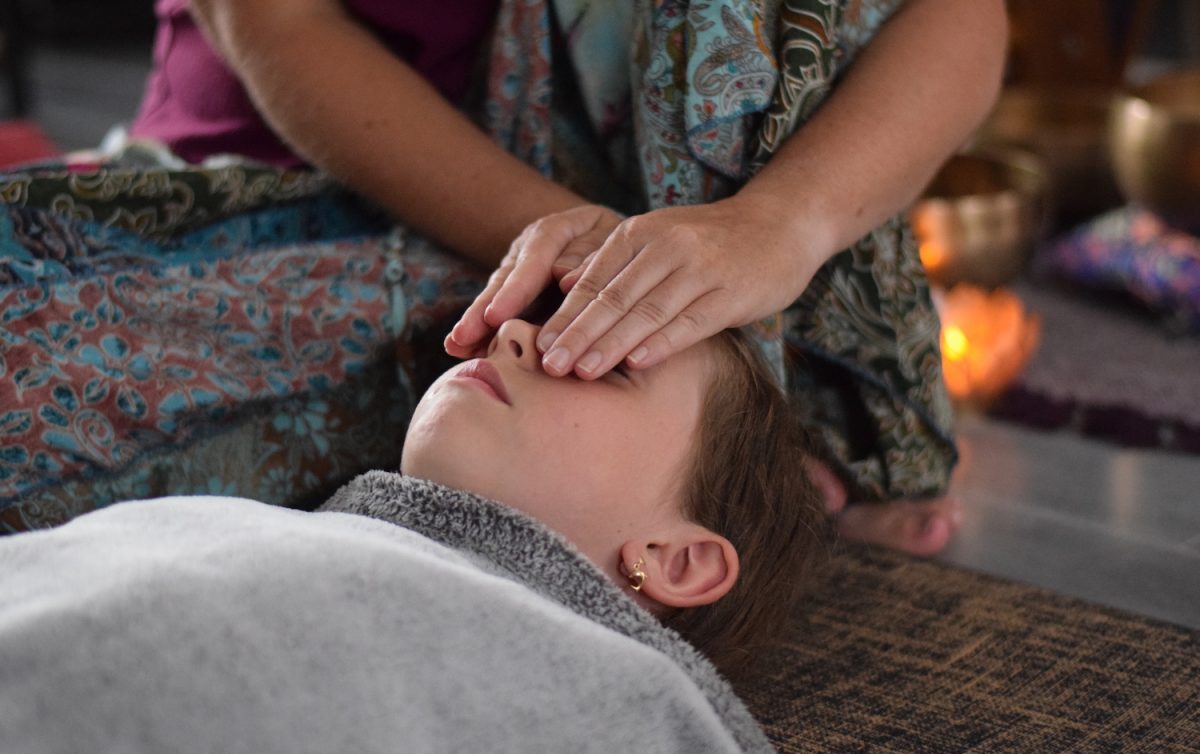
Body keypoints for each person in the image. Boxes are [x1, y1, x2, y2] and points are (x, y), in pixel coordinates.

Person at [2, 0, 1008, 551]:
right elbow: (272, 21)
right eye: (605, 356)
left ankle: (788, 407)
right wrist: (570, 252)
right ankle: (745, 433)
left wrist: (778, 226)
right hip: (292, 187)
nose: (519, 334)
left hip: (628, 185)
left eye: (613, 359)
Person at [0, 321, 826, 754]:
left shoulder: (620, 702)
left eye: (607, 362)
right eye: (552, 316)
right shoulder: (287, 532)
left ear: (673, 563)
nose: (516, 330)